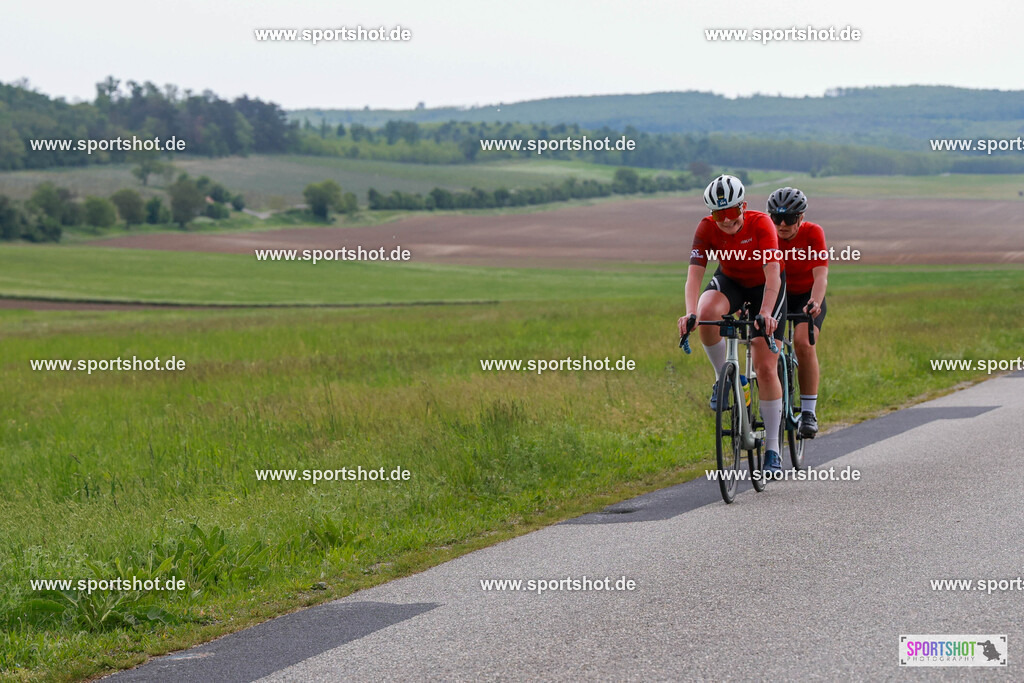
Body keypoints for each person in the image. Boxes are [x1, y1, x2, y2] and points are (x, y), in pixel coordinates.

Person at [678, 175, 787, 474]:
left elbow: (773, 272)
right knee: (706, 312)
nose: (726, 222)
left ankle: (774, 449)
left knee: (765, 367)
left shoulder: (761, 224)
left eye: (731, 213)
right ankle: (723, 380)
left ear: (744, 207)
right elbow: (694, 275)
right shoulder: (706, 228)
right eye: (718, 214)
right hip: (733, 281)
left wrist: (766, 312)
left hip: (766, 286)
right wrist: (690, 313)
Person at [767, 187, 827, 438]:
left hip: (806, 296)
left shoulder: (814, 233)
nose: (782, 225)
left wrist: (815, 301)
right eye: (776, 218)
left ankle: (809, 412)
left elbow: (821, 273)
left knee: (803, 343)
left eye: (789, 219)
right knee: (768, 348)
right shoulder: (767, 234)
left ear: (800, 218)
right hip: (777, 294)